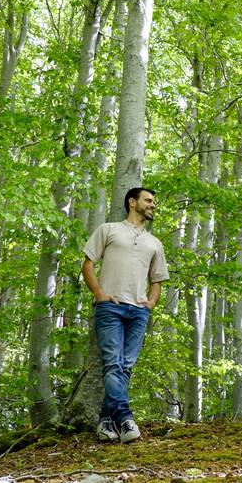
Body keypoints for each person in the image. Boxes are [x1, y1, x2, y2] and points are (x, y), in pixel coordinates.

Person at [82, 187, 169, 442]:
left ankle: (106, 423)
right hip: (110, 307)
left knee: (125, 367)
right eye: (148, 200)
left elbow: (157, 279)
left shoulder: (155, 243)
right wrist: (99, 294)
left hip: (138, 311)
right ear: (133, 202)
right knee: (113, 363)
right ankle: (126, 419)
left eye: (154, 201)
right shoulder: (108, 229)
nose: (153, 205)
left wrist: (150, 303)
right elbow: (88, 264)